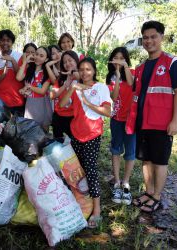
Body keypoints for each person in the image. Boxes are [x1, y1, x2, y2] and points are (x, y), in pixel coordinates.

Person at [126, 21, 177, 213]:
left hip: (161, 124)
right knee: (146, 160)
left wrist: (175, 120)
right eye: (145, 37)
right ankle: (148, 191)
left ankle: (157, 196)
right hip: (143, 122)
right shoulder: (141, 67)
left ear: (161, 37)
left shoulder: (172, 63)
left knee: (160, 161)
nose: (149, 41)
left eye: (153, 36)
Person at [60, 57, 112, 229]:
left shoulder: (100, 88)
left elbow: (107, 111)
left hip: (92, 135)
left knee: (90, 170)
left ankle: (96, 210)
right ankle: (81, 202)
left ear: (94, 71)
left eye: (88, 69)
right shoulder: (75, 88)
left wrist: (88, 102)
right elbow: (61, 103)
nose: (85, 72)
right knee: (76, 170)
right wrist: (73, 87)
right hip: (76, 133)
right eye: (81, 69)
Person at [106, 47, 135, 205]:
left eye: (121, 58)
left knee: (130, 152)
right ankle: (117, 182)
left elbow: (131, 84)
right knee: (116, 150)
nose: (118, 60)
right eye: (115, 57)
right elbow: (114, 96)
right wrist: (117, 76)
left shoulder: (132, 72)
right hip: (116, 118)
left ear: (126, 59)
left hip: (131, 119)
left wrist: (124, 68)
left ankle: (126, 183)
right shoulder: (110, 77)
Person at [0, 29, 25, 116]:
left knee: (18, 129)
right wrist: (4, 74)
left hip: (18, 100)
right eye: (2, 40)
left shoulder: (20, 56)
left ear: (12, 42)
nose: (5, 43)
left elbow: (20, 77)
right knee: (1, 128)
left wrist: (12, 60)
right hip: (0, 102)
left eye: (8, 40)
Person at [16, 46, 52, 131]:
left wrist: (29, 87)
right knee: (31, 130)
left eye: (41, 56)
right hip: (30, 103)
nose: (37, 57)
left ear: (46, 59)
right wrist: (25, 62)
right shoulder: (29, 69)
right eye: (36, 54)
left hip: (42, 103)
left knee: (43, 130)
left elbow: (42, 91)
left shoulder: (47, 73)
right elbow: (18, 78)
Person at [50, 51, 80, 138]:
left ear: (76, 61)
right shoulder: (61, 78)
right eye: (64, 62)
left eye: (70, 60)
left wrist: (75, 74)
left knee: (74, 145)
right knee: (59, 143)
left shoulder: (83, 77)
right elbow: (52, 96)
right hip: (59, 116)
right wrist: (65, 85)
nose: (67, 63)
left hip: (74, 118)